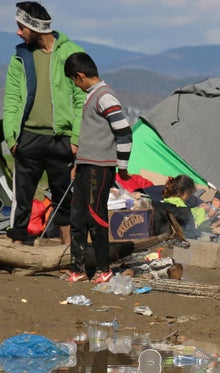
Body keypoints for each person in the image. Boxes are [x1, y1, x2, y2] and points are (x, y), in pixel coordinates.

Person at [3, 2, 85, 246]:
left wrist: (76, 139)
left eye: (21, 27)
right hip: (27, 138)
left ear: (35, 27)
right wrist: (11, 138)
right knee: (22, 198)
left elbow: (82, 99)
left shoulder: (72, 53)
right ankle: (17, 250)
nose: (18, 32)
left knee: (64, 198)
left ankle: (69, 253)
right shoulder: (20, 55)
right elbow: (11, 100)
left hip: (61, 139)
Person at [63, 52, 132, 283]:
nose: (75, 84)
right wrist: (78, 163)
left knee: (96, 217)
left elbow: (124, 133)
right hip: (86, 165)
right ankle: (77, 269)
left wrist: (122, 167)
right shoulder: (91, 96)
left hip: (100, 167)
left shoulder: (105, 97)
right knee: (78, 218)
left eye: (74, 80)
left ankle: (104, 269)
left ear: (80, 76)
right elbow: (90, 135)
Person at [157, 174, 217, 239]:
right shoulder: (180, 206)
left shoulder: (164, 202)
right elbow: (197, 225)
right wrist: (202, 210)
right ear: (186, 192)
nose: (188, 198)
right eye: (189, 194)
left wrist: (197, 209)